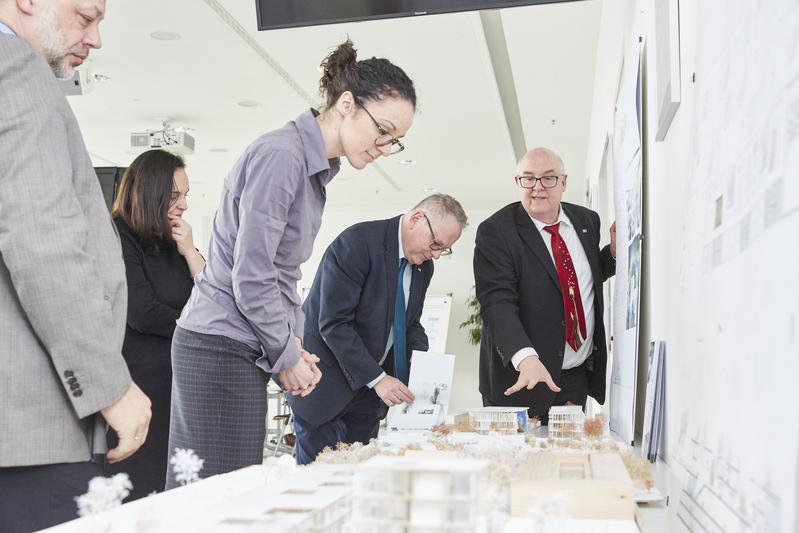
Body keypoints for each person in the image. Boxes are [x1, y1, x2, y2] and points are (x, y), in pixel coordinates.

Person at [167, 39, 417, 486]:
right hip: (217, 344)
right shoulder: (282, 155)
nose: (384, 146)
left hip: (240, 344)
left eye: (394, 141)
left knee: (233, 494)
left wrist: (292, 344)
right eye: (383, 130)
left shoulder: (313, 169)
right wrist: (284, 354)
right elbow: (252, 276)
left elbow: (283, 275)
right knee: (209, 500)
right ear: (346, 105)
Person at [0, 1, 152, 531]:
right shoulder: (16, 67)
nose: (96, 38)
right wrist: (110, 386)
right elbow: (43, 245)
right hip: (28, 436)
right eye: (86, 16)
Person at [289, 194, 467, 465]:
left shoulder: (423, 268)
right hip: (325, 390)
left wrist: (421, 369)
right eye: (435, 244)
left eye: (444, 249)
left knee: (363, 483)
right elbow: (334, 324)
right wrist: (379, 379)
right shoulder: (357, 243)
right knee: (319, 484)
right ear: (416, 219)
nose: (436, 254)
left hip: (367, 401)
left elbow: (410, 324)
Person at [473, 147, 616, 423]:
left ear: (564, 182)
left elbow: (579, 277)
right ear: (517, 183)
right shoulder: (496, 232)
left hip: (574, 379)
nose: (537, 187)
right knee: (517, 463)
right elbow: (497, 303)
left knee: (569, 459)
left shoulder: (586, 221)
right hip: (518, 382)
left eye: (548, 178)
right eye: (528, 178)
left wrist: (612, 255)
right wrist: (525, 358)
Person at [105, 150, 205, 500]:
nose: (184, 205)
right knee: (136, 497)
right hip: (138, 389)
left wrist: (191, 252)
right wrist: (199, 334)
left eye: (186, 195)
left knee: (174, 495)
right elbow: (142, 311)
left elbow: (213, 300)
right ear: (151, 193)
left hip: (178, 387)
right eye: (175, 195)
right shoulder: (116, 235)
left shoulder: (174, 241)